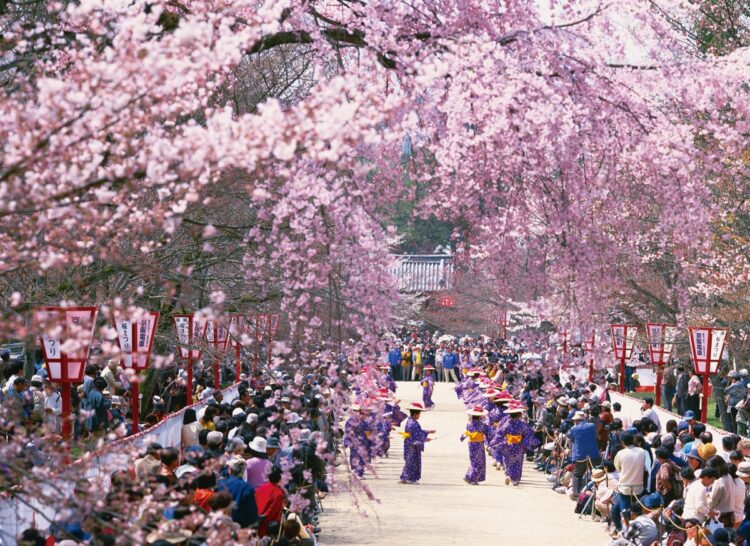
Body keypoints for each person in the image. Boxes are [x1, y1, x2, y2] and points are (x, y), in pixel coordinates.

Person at [493, 402, 539, 486]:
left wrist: (494, 442)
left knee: (508, 461)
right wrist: (526, 443)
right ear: (519, 414)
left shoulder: (506, 424)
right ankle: (515, 480)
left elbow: (500, 433)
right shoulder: (522, 424)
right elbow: (528, 434)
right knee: (517, 462)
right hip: (518, 446)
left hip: (508, 444)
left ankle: (509, 475)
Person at [611, 431, 647, 535]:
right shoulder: (642, 451)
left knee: (624, 510)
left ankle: (625, 530)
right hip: (639, 486)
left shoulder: (620, 453)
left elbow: (617, 468)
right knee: (636, 510)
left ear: (622, 442)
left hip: (624, 486)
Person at [217, 456, 259, 528]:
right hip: (240, 528)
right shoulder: (247, 488)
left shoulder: (220, 484)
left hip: (220, 525)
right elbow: (252, 513)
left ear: (230, 470)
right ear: (243, 471)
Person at [566, 410, 601, 498]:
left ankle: (576, 494)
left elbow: (569, 436)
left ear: (576, 420)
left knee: (577, 475)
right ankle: (598, 492)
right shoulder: (592, 426)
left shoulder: (574, 428)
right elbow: (596, 435)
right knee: (597, 473)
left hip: (580, 454)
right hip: (593, 453)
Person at [399, 402, 434, 484]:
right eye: (419, 414)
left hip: (408, 443)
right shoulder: (414, 423)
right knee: (413, 462)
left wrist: (428, 432)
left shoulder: (409, 421)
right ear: (415, 414)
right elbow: (416, 436)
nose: (419, 416)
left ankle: (404, 477)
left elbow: (418, 433)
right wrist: (424, 439)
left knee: (408, 461)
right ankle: (411, 479)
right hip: (413, 445)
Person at [460, 405, 490, 485]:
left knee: (473, 460)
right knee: (479, 461)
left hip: (471, 443)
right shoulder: (482, 425)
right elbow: (488, 433)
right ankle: (472, 478)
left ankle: (469, 476)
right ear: (480, 416)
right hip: (479, 444)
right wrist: (490, 442)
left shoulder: (469, 424)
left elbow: (467, 432)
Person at [255, 466, 285, 538]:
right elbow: (271, 512)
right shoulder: (278, 493)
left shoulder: (260, 488)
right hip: (269, 527)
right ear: (280, 478)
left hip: (257, 523)